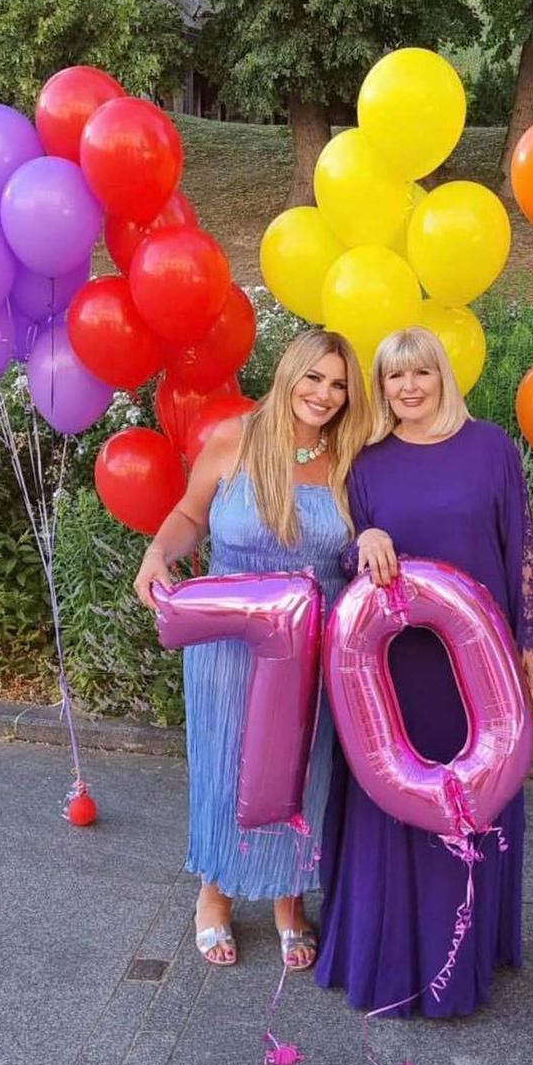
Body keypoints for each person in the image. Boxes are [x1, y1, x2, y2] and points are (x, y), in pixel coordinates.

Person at [314, 325, 533, 1017]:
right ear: (381, 387)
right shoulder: (367, 461)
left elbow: (522, 548)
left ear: (443, 376)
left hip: (480, 673)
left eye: (421, 373)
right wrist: (366, 539)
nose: (408, 387)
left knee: (472, 797)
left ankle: (463, 951)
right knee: (398, 799)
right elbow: (346, 557)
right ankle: (390, 953)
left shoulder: (491, 449)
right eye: (394, 376)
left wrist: (527, 642)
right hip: (395, 674)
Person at [134, 328, 370, 970]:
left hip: (312, 646)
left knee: (303, 765)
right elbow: (190, 515)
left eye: (339, 384)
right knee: (225, 760)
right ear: (289, 373)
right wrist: (158, 553)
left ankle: (289, 898)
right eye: (314, 377)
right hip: (228, 644)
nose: (324, 394)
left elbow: (369, 539)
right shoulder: (232, 439)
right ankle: (214, 892)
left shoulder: (351, 457)